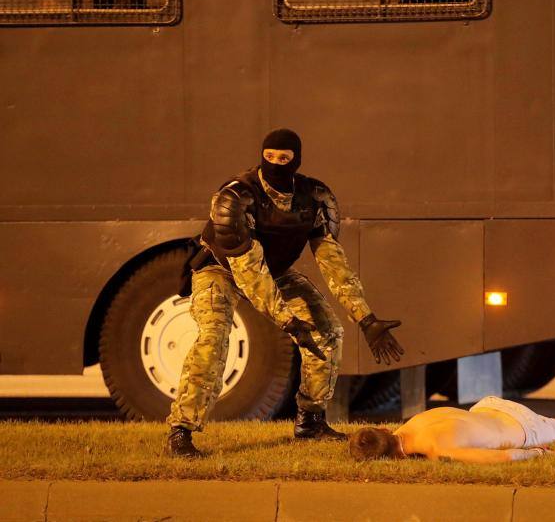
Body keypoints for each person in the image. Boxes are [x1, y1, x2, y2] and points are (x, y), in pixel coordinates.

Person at [166, 128, 405, 457]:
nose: (277, 163)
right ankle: (181, 431)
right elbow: (248, 271)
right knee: (214, 337)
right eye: (270, 157)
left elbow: (333, 262)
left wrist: (366, 318)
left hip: (274, 272)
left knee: (327, 331)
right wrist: (288, 321)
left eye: (284, 158)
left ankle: (311, 421)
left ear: (297, 159)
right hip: (219, 270)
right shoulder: (235, 196)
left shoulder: (314, 198)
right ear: (261, 156)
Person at [349, 397, 555, 463]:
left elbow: (505, 457)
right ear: (384, 428)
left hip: (521, 428)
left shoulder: (438, 449)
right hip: (486, 406)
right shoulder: (410, 424)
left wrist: (539, 453)